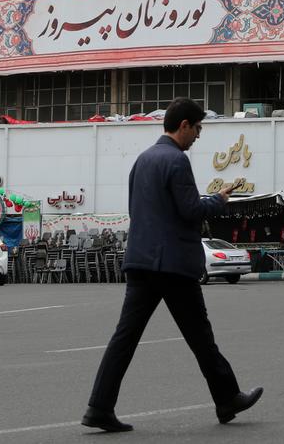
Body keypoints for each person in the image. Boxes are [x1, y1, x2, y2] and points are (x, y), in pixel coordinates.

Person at [82, 98, 263, 433]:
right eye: (197, 128)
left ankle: (99, 407)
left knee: (124, 338)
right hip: (172, 265)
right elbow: (190, 210)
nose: (197, 136)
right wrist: (219, 200)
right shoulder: (176, 161)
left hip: (141, 262)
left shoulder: (143, 160)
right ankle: (227, 399)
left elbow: (145, 211)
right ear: (184, 126)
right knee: (201, 337)